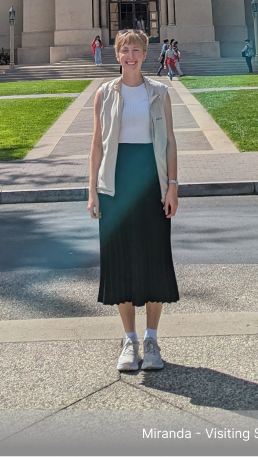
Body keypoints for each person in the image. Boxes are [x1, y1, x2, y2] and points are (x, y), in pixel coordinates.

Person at [88, 29, 179, 373]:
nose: (130, 55)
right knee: (120, 262)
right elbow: (97, 144)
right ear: (117, 55)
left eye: (136, 49)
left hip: (150, 182)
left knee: (155, 258)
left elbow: (170, 141)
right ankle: (129, 340)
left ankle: (152, 340)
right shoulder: (104, 94)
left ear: (145, 54)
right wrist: (91, 190)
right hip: (115, 182)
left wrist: (172, 186)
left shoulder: (159, 92)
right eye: (125, 50)